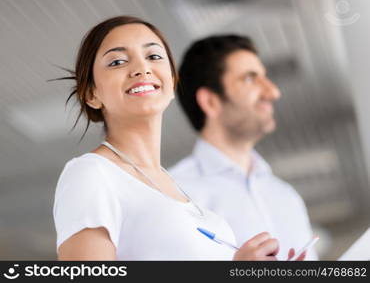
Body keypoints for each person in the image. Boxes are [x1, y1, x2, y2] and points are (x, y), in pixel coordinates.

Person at [53, 16, 303, 261]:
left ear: (172, 83)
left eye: (154, 56)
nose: (142, 68)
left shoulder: (177, 191)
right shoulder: (91, 173)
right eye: (117, 61)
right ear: (91, 94)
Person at [170, 35, 318, 260]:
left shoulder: (286, 196)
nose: (272, 92)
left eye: (264, 78)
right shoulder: (173, 196)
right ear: (211, 102)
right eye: (250, 79)